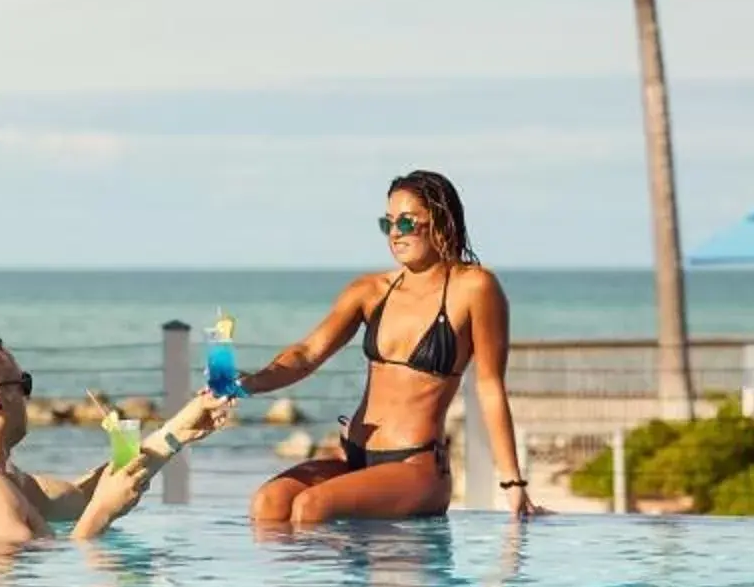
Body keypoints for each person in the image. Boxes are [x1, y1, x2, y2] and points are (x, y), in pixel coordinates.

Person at [226, 170, 538, 523]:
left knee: (311, 508)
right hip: (357, 458)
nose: (394, 234)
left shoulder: (475, 288)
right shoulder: (371, 290)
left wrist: (512, 482)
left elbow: (490, 387)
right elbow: (308, 353)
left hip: (416, 467)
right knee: (268, 503)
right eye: (387, 223)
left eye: (406, 223)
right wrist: (247, 384)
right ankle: (301, 581)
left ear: (440, 221)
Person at [0, 330, 229, 542]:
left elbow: (82, 499)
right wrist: (103, 513)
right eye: (24, 384)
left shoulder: (5, 478)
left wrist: (179, 431)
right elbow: (51, 578)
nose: (29, 397)